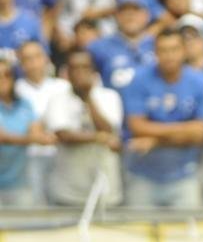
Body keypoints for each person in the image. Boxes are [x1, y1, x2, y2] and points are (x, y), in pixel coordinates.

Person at [121, 27, 203, 208]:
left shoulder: (199, 81)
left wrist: (155, 140)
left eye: (174, 50)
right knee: (138, 232)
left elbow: (202, 133)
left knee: (184, 235)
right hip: (143, 175)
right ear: (155, 52)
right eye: (163, 50)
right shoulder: (139, 80)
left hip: (185, 175)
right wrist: (186, 129)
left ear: (184, 51)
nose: (169, 56)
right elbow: (136, 127)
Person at [43, 48, 124, 206]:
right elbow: (64, 135)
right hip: (68, 191)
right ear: (67, 72)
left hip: (104, 190)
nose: (80, 73)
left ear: (94, 71)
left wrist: (88, 98)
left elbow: (109, 130)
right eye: (75, 68)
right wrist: (97, 137)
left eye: (85, 67)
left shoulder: (110, 97)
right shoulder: (57, 100)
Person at [14, 40, 68, 205]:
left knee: (61, 205)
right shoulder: (16, 90)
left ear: (46, 58)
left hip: (61, 155)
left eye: (37, 56)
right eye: (27, 59)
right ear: (21, 64)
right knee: (36, 206)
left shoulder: (63, 86)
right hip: (28, 158)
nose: (34, 63)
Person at [0, 57, 48, 206]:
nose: (3, 79)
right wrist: (32, 139)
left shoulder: (24, 104)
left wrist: (35, 138)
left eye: (7, 74)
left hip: (20, 183)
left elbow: (37, 132)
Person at [87, 0, 155, 93]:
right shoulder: (98, 47)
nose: (130, 15)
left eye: (136, 9)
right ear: (116, 15)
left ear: (147, 15)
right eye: (124, 10)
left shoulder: (160, 45)